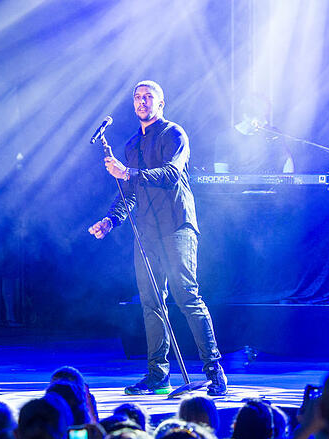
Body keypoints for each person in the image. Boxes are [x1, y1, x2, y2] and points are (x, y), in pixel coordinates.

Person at [88, 80, 228, 397]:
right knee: (151, 303)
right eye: (137, 97)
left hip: (177, 225)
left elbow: (171, 173)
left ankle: (214, 370)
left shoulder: (174, 134)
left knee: (187, 296)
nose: (142, 101)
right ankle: (158, 375)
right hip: (148, 232)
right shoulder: (130, 146)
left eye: (149, 97)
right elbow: (130, 194)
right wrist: (110, 220)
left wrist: (129, 173)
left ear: (161, 103)